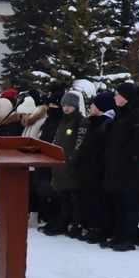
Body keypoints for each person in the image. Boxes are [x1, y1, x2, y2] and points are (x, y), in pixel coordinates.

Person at [101, 82, 139, 251]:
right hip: (117, 167)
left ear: (126, 97)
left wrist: (123, 154)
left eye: (118, 94)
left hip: (130, 168)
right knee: (119, 204)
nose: (115, 97)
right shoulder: (121, 114)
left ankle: (128, 238)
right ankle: (118, 235)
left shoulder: (137, 114)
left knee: (130, 204)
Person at [73, 91, 114, 244]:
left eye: (94, 104)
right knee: (89, 200)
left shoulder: (106, 124)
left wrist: (98, 166)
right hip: (88, 169)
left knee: (98, 201)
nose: (91, 107)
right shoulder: (94, 122)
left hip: (97, 170)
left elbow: (105, 149)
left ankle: (99, 229)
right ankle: (91, 227)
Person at [41, 92, 83, 236]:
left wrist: (72, 160)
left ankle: (69, 223)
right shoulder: (63, 121)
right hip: (59, 164)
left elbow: (79, 144)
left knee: (70, 197)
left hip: (69, 165)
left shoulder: (79, 121)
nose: (66, 108)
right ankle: (60, 221)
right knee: (61, 196)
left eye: (70, 105)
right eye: (64, 105)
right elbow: (56, 141)